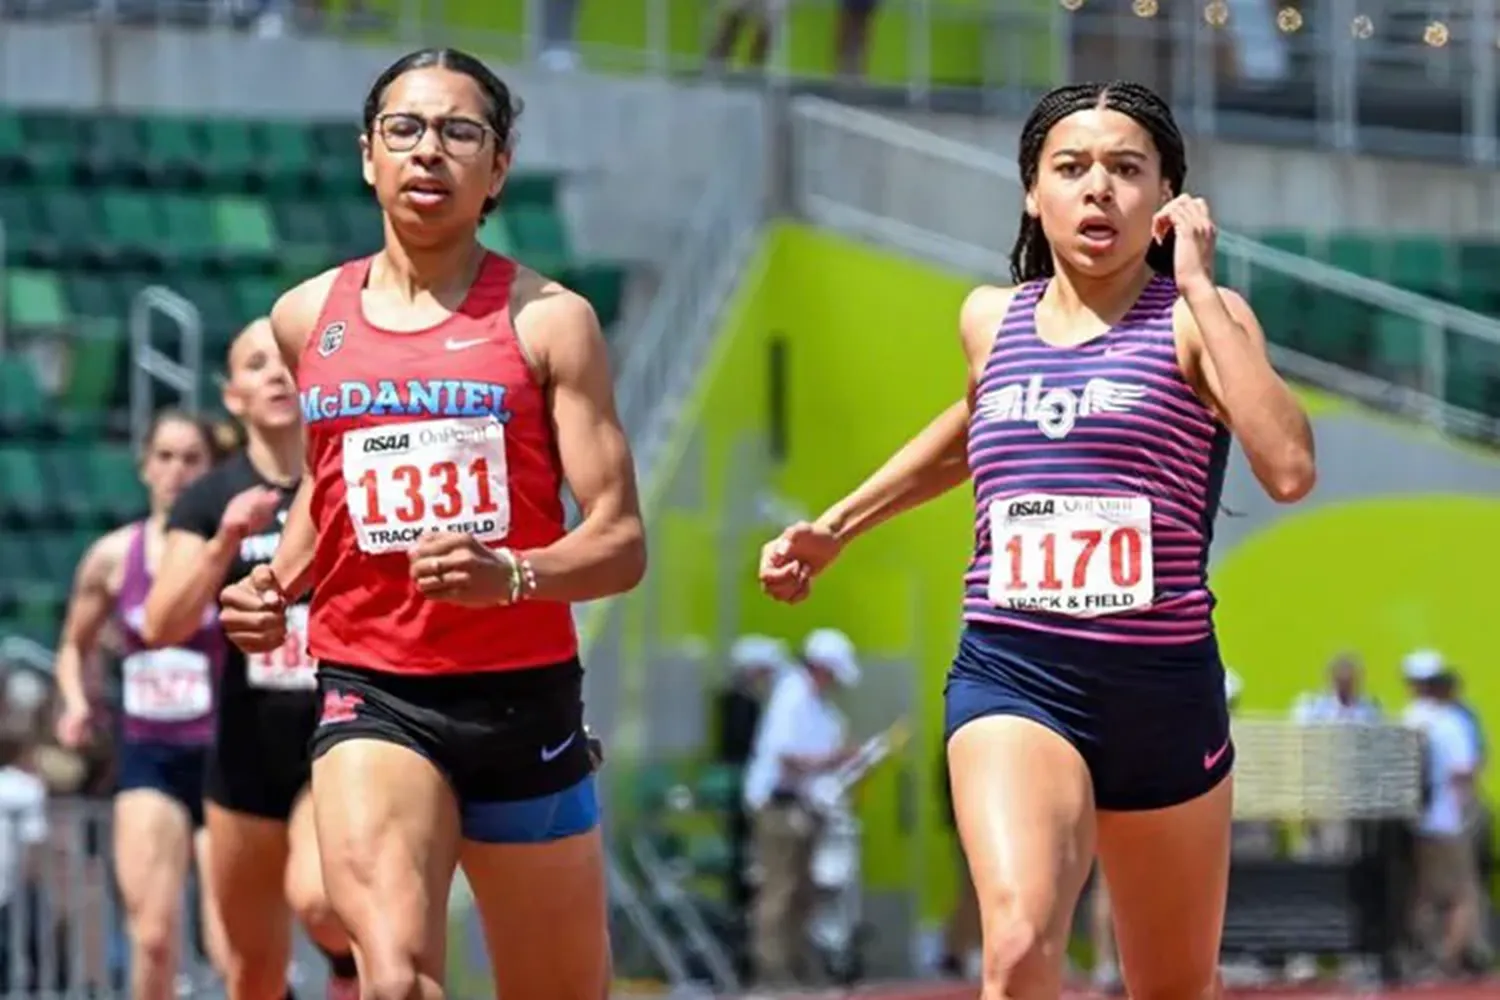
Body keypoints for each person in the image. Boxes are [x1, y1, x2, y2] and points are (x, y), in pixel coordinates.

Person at [759, 80, 1317, 999]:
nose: (1099, 189)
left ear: (1170, 196)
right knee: (1017, 943)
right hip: (1016, 673)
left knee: (1173, 985)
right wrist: (836, 526)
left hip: (1163, 691)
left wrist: (1202, 287)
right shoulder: (992, 319)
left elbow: (1289, 468)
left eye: (1128, 169)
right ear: (1032, 191)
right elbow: (968, 433)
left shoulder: (1197, 323)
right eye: (1072, 168)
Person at [215, 47, 646, 1000]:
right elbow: (326, 495)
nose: (428, 151)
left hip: (521, 699)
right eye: (404, 129)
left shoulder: (551, 322)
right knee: (395, 975)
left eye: (460, 132)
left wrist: (516, 576)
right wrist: (278, 584)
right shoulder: (304, 318)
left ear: (498, 168)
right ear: (368, 154)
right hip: (373, 691)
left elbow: (620, 540)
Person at [141, 318, 357, 1000]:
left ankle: (349, 968)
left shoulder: (350, 474)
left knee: (321, 901)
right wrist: (225, 539)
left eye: (286, 359)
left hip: (342, 733)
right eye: (256, 364)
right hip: (244, 749)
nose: (274, 374)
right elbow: (162, 623)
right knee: (254, 974)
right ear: (232, 395)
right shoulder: (210, 500)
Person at [52, 410, 229, 1000]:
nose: (177, 472)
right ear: (144, 467)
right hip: (149, 756)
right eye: (166, 457)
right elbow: (73, 649)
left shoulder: (230, 552)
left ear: (212, 470)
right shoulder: (111, 558)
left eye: (192, 459)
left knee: (233, 948)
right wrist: (77, 703)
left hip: (227, 759)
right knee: (153, 937)